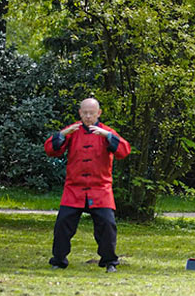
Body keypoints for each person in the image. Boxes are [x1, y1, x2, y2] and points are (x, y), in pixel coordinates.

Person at [44, 98, 131, 272]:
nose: (88, 116)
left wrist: (107, 136)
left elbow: (124, 151)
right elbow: (50, 149)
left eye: (92, 113)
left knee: (107, 225)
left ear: (99, 113)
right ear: (80, 113)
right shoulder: (73, 130)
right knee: (62, 225)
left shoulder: (107, 132)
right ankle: (58, 260)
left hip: (100, 189)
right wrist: (62, 134)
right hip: (74, 188)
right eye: (85, 113)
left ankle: (109, 262)